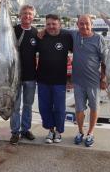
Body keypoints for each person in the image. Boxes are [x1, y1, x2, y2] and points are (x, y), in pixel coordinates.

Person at [37, 14, 73, 143]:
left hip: (59, 80)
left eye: (54, 24)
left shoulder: (67, 36)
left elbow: (78, 53)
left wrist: (72, 78)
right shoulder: (41, 37)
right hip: (42, 80)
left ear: (60, 24)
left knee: (59, 108)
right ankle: (50, 130)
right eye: (48, 24)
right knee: (44, 107)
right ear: (45, 25)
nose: (51, 26)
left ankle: (59, 131)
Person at [71, 14, 107, 147]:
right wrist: (44, 30)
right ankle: (80, 131)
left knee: (94, 108)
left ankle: (90, 132)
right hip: (78, 81)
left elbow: (105, 61)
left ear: (91, 25)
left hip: (93, 81)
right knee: (79, 109)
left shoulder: (99, 39)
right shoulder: (74, 35)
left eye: (87, 23)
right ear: (77, 25)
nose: (84, 26)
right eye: (81, 23)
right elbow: (57, 30)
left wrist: (103, 78)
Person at [10, 5, 38, 145]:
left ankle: (25, 129)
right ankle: (15, 132)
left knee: (28, 105)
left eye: (30, 14)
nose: (27, 16)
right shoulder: (13, 30)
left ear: (33, 17)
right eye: (25, 13)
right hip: (15, 76)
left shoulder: (35, 32)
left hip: (31, 76)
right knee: (15, 106)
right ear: (20, 15)